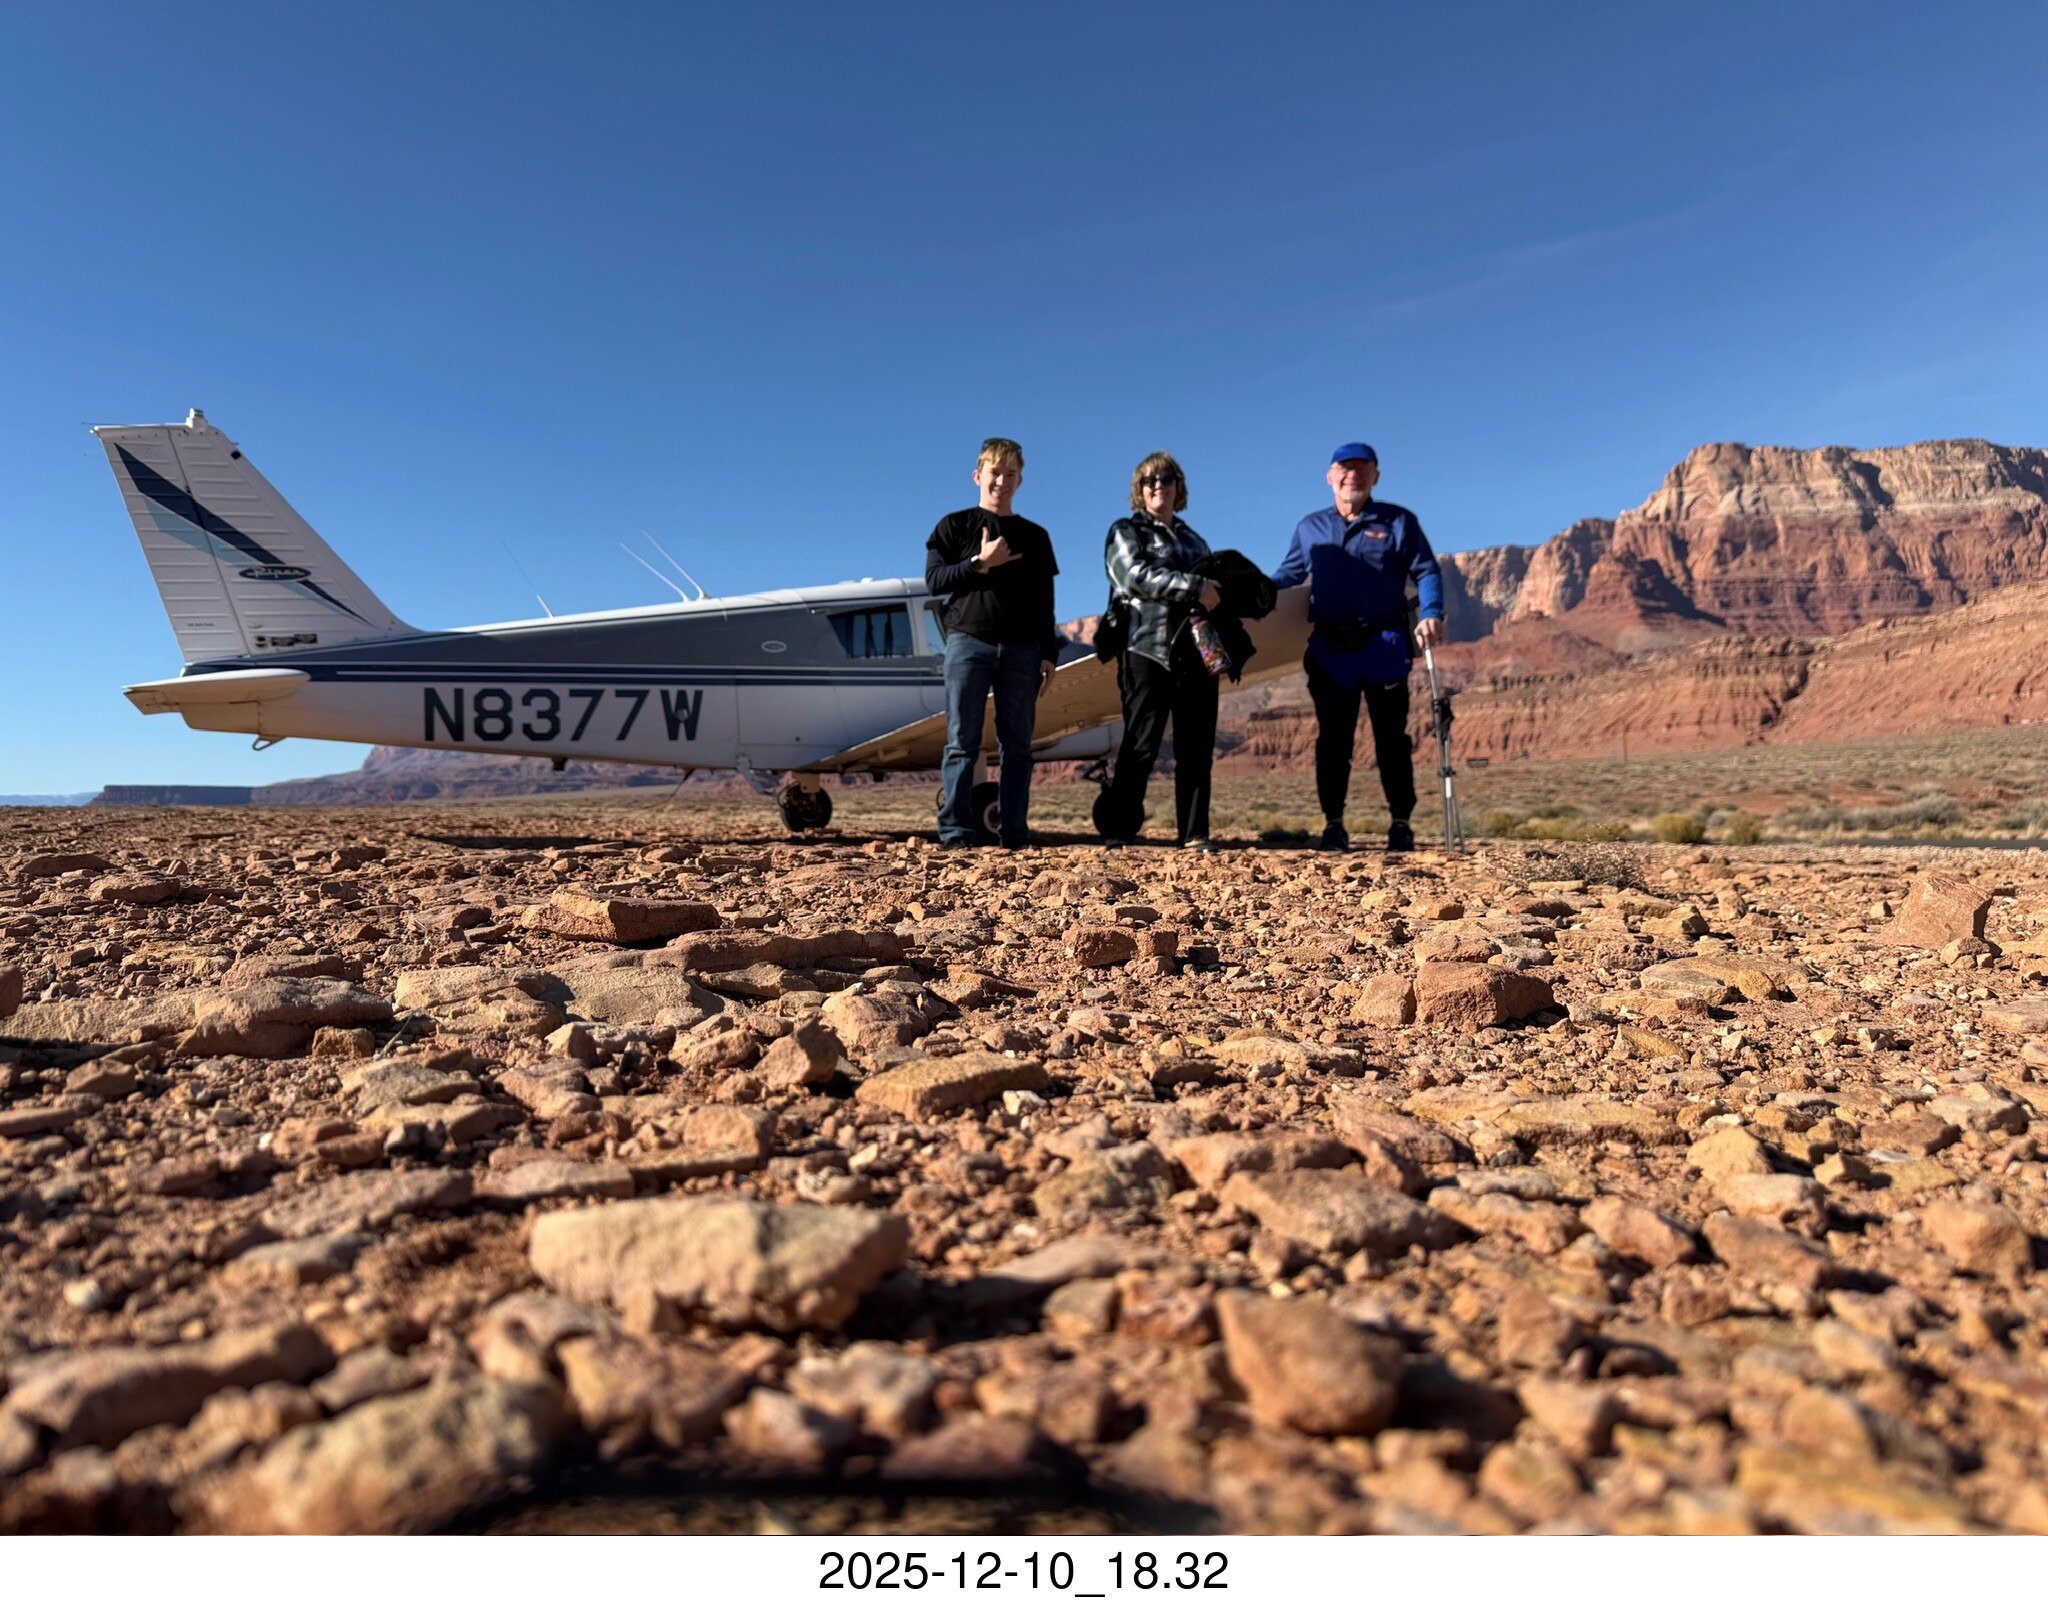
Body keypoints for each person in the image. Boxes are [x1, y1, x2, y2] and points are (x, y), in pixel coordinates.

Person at [1271, 442, 1443, 853]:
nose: (1354, 476)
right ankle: (1334, 825)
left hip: (1385, 648)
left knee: (1392, 740)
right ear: (1330, 477)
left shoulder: (1398, 521)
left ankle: (1401, 824)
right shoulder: (1310, 527)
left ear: (1375, 477)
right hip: (1330, 651)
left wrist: (1431, 611)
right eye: (1345, 468)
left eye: (1363, 469)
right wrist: (1250, 593)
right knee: (1333, 742)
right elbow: (1288, 575)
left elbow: (1426, 570)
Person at [924, 437, 1060, 848]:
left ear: (1020, 481)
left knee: (1017, 746)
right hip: (968, 644)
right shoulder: (954, 526)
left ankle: (1014, 834)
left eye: (1010, 473)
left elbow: (1044, 601)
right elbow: (935, 581)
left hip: (1022, 650)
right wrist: (980, 563)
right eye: (995, 472)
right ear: (977, 476)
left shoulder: (1035, 536)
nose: (1002, 480)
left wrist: (1048, 653)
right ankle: (955, 832)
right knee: (961, 742)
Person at [1097, 452, 1224, 851]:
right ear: (1139, 489)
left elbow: (1213, 590)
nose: (1158, 486)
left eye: (1166, 479)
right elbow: (1133, 576)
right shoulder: (1126, 531)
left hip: (1196, 650)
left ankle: (1194, 834)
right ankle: (1120, 831)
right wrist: (1194, 586)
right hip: (1145, 647)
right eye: (1149, 481)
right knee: (1140, 742)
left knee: (1196, 746)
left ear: (1177, 487)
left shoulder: (1194, 540)